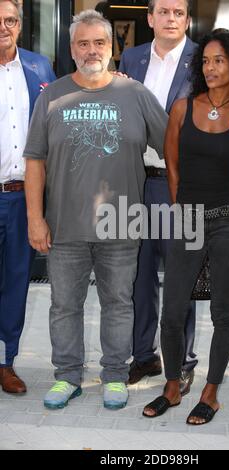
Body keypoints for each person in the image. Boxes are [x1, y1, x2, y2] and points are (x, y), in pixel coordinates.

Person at [23, 9, 167, 411]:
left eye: (99, 42)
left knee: (119, 304)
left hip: (123, 222)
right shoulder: (52, 95)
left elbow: (172, 144)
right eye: (83, 43)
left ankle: (115, 375)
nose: (91, 50)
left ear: (111, 47)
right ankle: (67, 377)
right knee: (64, 305)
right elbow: (34, 159)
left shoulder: (135, 94)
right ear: (72, 49)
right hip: (65, 225)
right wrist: (35, 218)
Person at [142, 32, 229, 424]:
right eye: (206, 61)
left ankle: (211, 392)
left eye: (219, 61)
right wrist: (180, 208)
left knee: (222, 311)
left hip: (228, 222)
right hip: (188, 219)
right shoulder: (181, 109)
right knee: (173, 310)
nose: (210, 68)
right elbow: (172, 164)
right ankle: (173, 385)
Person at [118, 0, 197, 395]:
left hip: (183, 186)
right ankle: (143, 355)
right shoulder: (130, 58)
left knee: (184, 277)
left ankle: (182, 362)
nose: (171, 19)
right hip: (134, 184)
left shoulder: (204, 60)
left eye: (178, 13)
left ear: (187, 19)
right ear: (149, 18)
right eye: (163, 11)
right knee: (137, 274)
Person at [0, 0, 55, 394]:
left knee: (16, 282)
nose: (3, 27)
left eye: (10, 20)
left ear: (20, 25)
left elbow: (58, 121)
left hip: (22, 198)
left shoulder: (39, 68)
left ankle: (6, 361)